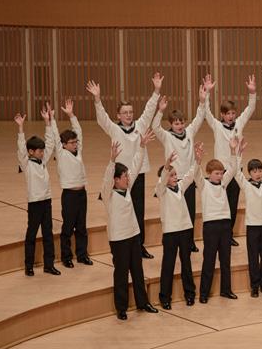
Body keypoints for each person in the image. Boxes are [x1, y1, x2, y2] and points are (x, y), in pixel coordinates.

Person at [88, 72, 162, 258]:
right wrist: (97, 99)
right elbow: (102, 118)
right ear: (118, 115)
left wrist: (156, 90)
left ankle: (139, 246)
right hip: (120, 178)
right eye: (125, 112)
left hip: (138, 173)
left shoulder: (141, 125)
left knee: (139, 211)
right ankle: (124, 245)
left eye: (130, 112)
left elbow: (149, 110)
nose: (128, 115)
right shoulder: (114, 129)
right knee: (122, 211)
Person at [102, 133, 159, 320]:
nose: (128, 178)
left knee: (138, 270)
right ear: (116, 180)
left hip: (134, 235)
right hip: (119, 239)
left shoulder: (127, 189)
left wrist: (141, 147)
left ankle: (143, 302)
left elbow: (136, 165)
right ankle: (121, 308)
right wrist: (112, 161)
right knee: (121, 273)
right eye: (124, 176)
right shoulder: (108, 194)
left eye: (127, 176)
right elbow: (107, 179)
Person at [152, 81, 209, 252]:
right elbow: (155, 127)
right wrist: (160, 110)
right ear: (171, 124)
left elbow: (199, 118)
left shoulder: (189, 132)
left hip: (188, 179)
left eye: (182, 122)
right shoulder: (166, 136)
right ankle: (171, 241)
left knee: (189, 211)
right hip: (173, 181)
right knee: (174, 212)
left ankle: (189, 241)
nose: (180, 126)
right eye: (176, 123)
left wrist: (202, 101)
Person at [204, 72, 256, 247]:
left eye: (233, 113)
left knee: (232, 204)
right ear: (222, 114)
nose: (231, 116)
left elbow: (250, 109)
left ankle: (229, 234)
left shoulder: (239, 123)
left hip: (235, 169)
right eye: (228, 114)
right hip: (220, 172)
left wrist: (252, 92)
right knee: (220, 203)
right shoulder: (217, 126)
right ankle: (219, 235)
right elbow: (206, 113)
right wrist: (207, 93)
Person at [154, 148, 200, 309]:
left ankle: (190, 293)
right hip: (170, 233)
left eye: (175, 175)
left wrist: (197, 160)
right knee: (168, 264)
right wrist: (167, 166)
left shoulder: (180, 186)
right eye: (171, 175)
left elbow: (190, 175)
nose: (174, 177)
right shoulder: (161, 191)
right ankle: (165, 297)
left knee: (186, 263)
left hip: (185, 230)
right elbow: (162, 181)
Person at [195, 136, 240, 303]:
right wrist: (198, 160)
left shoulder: (223, 184)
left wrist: (233, 151)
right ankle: (204, 293)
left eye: (221, 173)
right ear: (209, 173)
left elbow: (233, 169)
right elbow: (195, 173)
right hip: (211, 226)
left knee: (225, 260)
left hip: (225, 225)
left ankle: (226, 290)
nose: (220, 176)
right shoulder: (203, 185)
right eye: (216, 173)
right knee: (209, 260)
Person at [234, 136, 262, 298]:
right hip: (252, 226)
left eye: (260, 170)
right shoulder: (246, 185)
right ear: (249, 173)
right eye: (254, 171)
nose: (258, 173)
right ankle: (254, 285)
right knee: (253, 256)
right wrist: (238, 153)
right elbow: (236, 172)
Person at [16, 106, 59, 276]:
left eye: (42, 151)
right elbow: (21, 149)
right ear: (31, 152)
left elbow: (50, 143)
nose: (43, 153)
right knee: (32, 234)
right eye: (40, 151)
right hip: (34, 203)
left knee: (48, 234)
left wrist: (47, 122)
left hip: (46, 201)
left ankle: (49, 264)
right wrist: (21, 128)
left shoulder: (43, 161)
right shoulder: (26, 164)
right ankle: (29, 265)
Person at [50, 99, 92, 268]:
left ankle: (82, 255)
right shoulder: (61, 154)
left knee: (81, 226)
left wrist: (71, 115)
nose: (75, 144)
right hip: (69, 195)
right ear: (64, 145)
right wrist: (51, 119)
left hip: (82, 193)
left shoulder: (78, 151)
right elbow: (55, 136)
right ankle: (66, 256)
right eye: (72, 143)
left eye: (76, 142)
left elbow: (78, 131)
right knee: (68, 227)